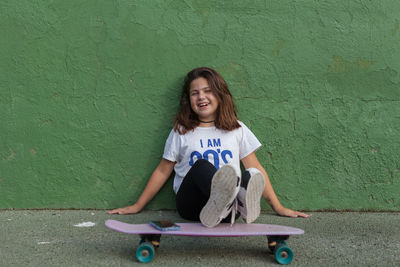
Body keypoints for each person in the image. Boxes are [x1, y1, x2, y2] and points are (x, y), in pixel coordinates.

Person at [108, 67, 309, 227]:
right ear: (189, 101)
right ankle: (229, 202)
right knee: (202, 166)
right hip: (193, 207)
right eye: (194, 93)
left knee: (252, 173)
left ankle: (235, 206)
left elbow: (256, 168)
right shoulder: (182, 131)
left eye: (207, 91)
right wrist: (138, 205)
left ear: (220, 95)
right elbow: (162, 171)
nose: (201, 97)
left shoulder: (236, 129)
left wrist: (279, 207)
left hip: (226, 214)